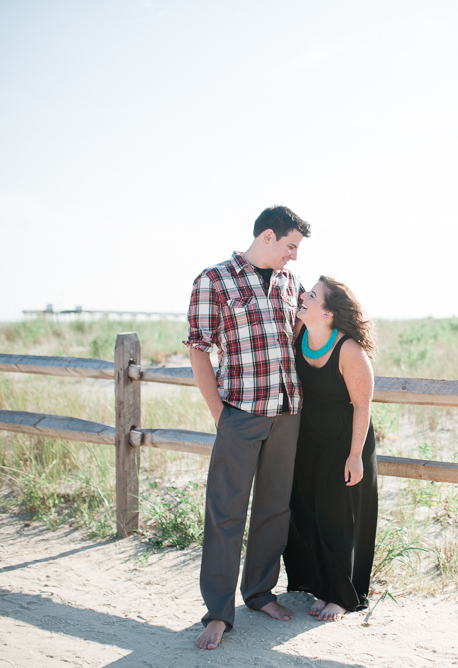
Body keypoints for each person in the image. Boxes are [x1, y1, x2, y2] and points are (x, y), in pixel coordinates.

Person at [185, 206, 310, 650]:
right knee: (225, 513)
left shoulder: (289, 283)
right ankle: (218, 613)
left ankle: (258, 594)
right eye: (291, 246)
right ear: (270, 237)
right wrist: (220, 415)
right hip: (239, 412)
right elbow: (199, 351)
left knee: (275, 508)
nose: (294, 256)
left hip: (287, 411)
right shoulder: (214, 280)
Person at [283, 276, 378, 622]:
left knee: (337, 514)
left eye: (312, 295)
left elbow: (362, 406)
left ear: (328, 313)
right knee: (306, 508)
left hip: (346, 438)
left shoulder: (349, 350)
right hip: (309, 435)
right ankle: (319, 586)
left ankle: (341, 595)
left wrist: (355, 456)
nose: (303, 297)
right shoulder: (300, 335)